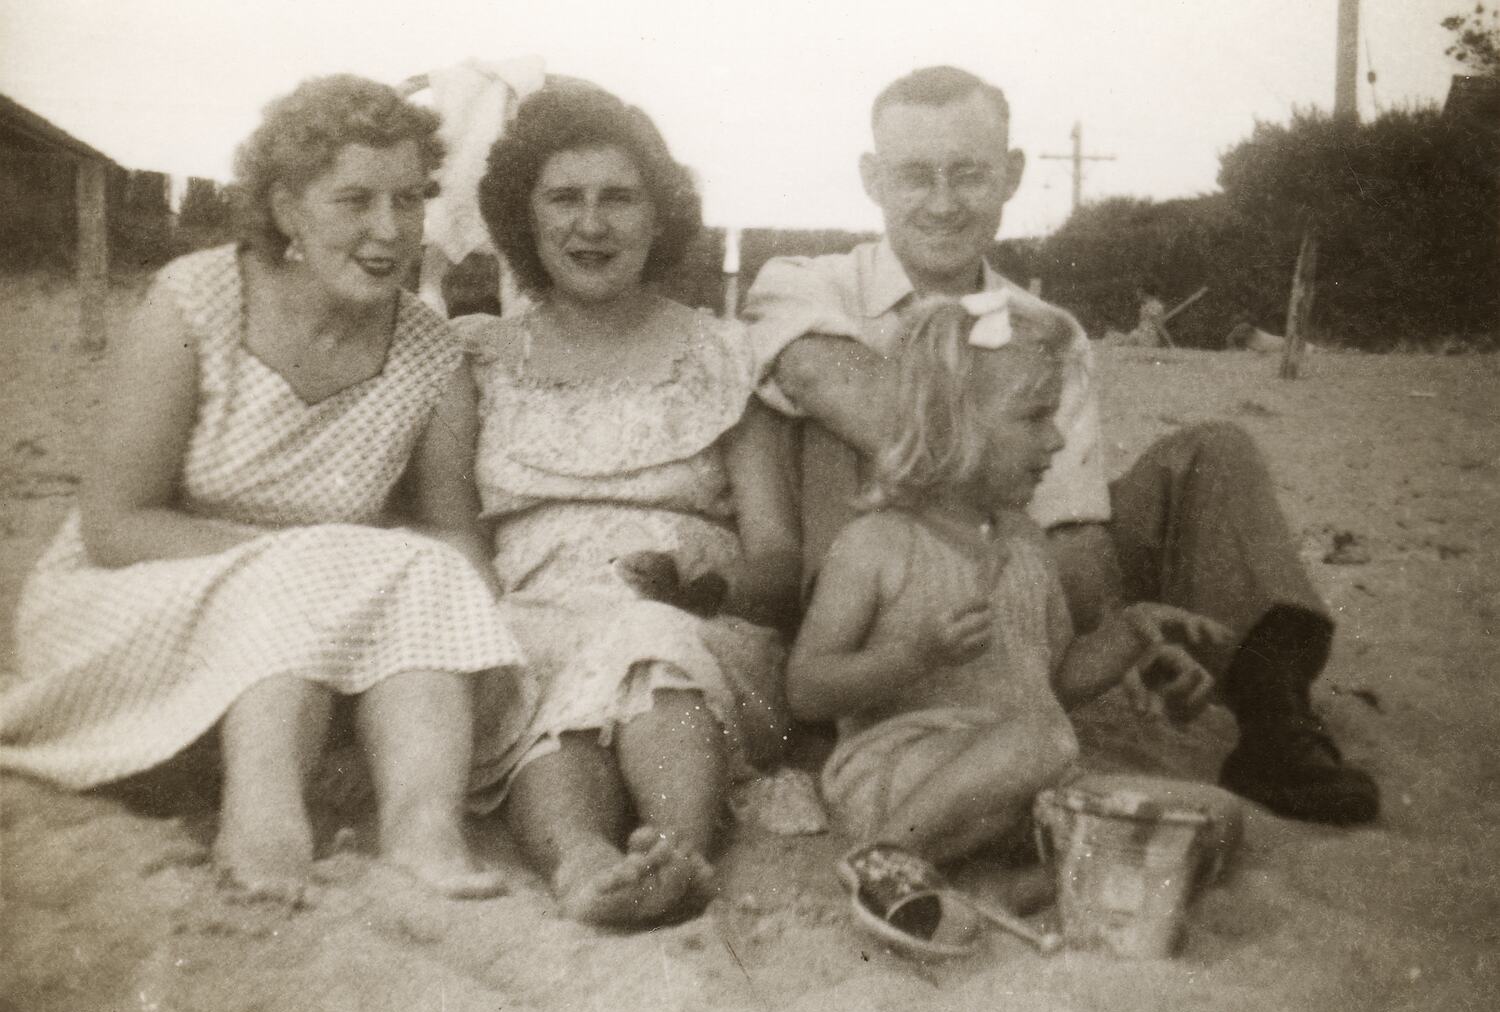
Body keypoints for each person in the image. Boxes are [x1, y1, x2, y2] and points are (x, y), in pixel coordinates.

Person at [742, 65, 1379, 825]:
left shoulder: (1047, 329)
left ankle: (1274, 716)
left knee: (1213, 452)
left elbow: (1073, 524)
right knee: (839, 430)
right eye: (915, 176)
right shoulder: (807, 284)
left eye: (970, 174)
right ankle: (870, 718)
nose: (943, 203)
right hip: (875, 593)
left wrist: (1119, 632)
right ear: (872, 178)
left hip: (1013, 577)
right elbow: (850, 397)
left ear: (1011, 175)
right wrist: (989, 427)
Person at [0, 75, 532, 903]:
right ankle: (264, 822)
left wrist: (438, 590)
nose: (388, 230)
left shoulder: (432, 355)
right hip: (131, 598)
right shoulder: (197, 300)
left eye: (409, 200)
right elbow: (114, 524)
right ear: (286, 207)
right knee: (303, 577)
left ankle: (424, 828)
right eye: (354, 200)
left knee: (428, 568)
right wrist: (303, 559)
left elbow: (454, 533)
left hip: (310, 619)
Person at [458, 84, 800, 926]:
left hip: (695, 626)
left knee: (647, 641)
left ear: (658, 215)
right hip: (532, 616)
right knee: (545, 674)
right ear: (524, 219)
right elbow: (452, 533)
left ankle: (677, 847)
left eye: (619, 198)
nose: (592, 223)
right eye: (564, 199)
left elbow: (782, 559)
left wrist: (701, 588)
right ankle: (580, 859)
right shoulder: (479, 356)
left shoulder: (722, 355)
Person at [788, 294, 1228, 863]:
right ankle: (886, 856)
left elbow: (1055, 680)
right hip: (901, 776)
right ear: (949, 425)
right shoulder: (878, 544)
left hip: (1018, 779)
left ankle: (1012, 886)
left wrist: (1130, 635)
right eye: (1034, 417)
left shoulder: (1025, 542)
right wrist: (913, 657)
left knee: (1214, 817)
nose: (1057, 440)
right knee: (1043, 740)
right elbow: (806, 690)